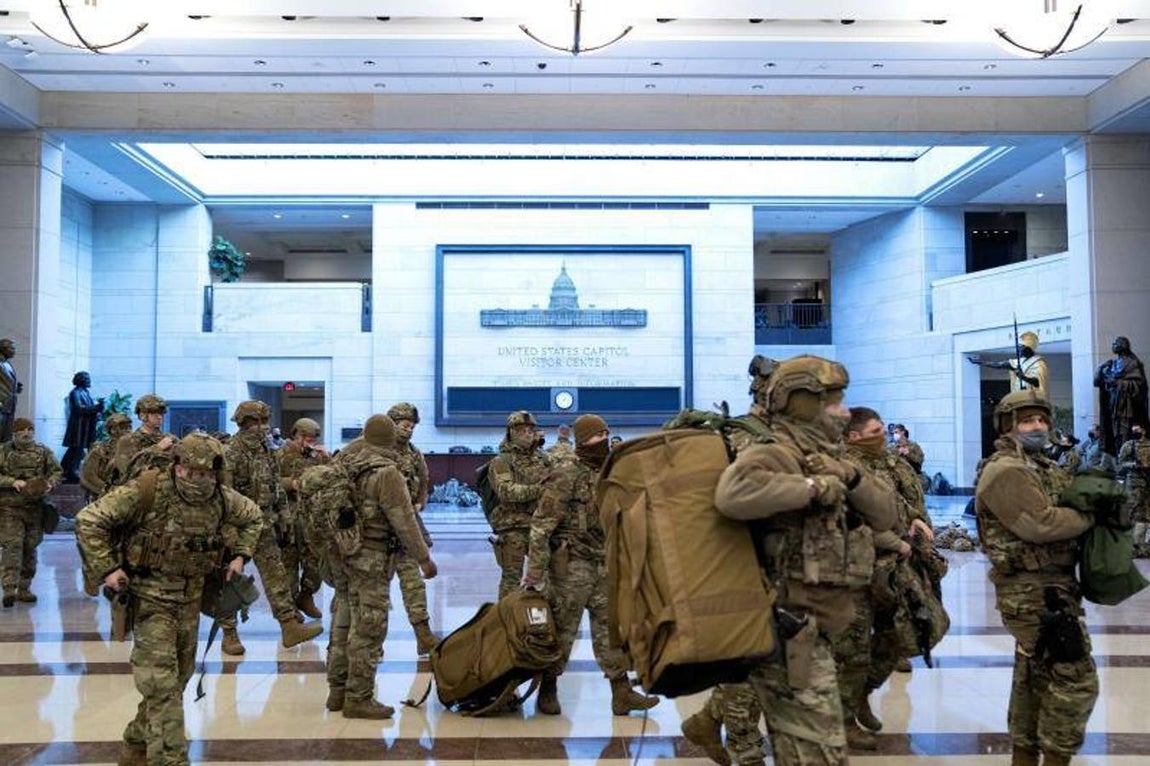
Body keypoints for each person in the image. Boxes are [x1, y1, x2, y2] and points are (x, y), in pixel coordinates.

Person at [714, 355, 896, 766]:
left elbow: (887, 515)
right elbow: (732, 494)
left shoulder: (832, 454)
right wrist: (813, 487)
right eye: (834, 401)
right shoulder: (775, 452)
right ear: (802, 401)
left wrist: (848, 477)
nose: (844, 411)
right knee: (820, 754)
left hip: (820, 627)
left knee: (807, 752)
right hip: (788, 629)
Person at [75, 432, 263, 766]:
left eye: (205, 474)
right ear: (177, 466)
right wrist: (108, 569)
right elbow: (89, 519)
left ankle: (135, 742)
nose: (197, 480)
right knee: (161, 685)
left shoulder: (222, 499)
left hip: (191, 600)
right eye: (190, 472)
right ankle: (171, 758)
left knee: (178, 679)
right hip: (150, 599)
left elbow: (253, 517)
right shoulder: (146, 490)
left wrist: (240, 556)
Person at [974, 389, 1099, 766]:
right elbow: (1040, 525)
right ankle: (1057, 757)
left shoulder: (1039, 465)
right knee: (1076, 678)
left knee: (1034, 677)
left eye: (1042, 419)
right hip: (1030, 591)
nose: (1038, 426)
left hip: (1049, 587)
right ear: (1008, 426)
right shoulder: (1006, 470)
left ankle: (1025, 755)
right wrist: (1090, 518)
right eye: (1028, 421)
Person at [523, 413, 658, 717]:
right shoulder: (566, 473)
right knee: (562, 629)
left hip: (605, 562)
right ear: (582, 440)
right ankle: (548, 687)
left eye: (605, 434)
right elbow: (541, 525)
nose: (603, 440)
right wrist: (535, 573)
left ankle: (621, 692)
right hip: (572, 566)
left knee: (611, 629)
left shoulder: (611, 471)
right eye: (597, 436)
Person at [836, 406, 936, 750]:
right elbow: (852, 519)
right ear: (853, 436)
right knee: (853, 649)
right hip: (856, 568)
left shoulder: (888, 461)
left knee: (898, 637)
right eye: (876, 431)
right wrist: (896, 542)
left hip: (893, 567)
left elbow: (895, 502)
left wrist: (914, 521)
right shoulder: (845, 467)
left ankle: (862, 693)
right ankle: (845, 719)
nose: (884, 436)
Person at [336, 413, 437, 719]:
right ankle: (358, 697)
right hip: (374, 557)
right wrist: (424, 559)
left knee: (348, 621)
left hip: (348, 553)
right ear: (390, 438)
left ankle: (336, 690)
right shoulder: (387, 472)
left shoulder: (348, 461)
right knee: (369, 628)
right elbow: (405, 522)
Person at [220, 400, 322, 655]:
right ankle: (229, 633)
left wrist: (284, 516)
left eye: (264, 422)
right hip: (237, 526)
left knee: (276, 575)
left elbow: (275, 486)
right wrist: (230, 534)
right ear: (243, 423)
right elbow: (224, 495)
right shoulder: (230, 453)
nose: (261, 428)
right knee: (231, 580)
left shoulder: (266, 450)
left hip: (264, 524)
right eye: (256, 422)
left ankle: (289, 625)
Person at [386, 402, 439, 655]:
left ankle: (424, 636)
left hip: (405, 530)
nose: (408, 431)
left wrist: (419, 502)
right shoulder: (373, 449)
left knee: (413, 585)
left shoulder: (414, 453)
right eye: (404, 426)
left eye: (411, 427)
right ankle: (367, 641)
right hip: (375, 534)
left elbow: (423, 482)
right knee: (372, 592)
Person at [487, 410, 549, 599]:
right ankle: (506, 622)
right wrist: (538, 490)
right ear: (511, 432)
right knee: (511, 580)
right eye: (522, 430)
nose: (528, 433)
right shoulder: (501, 461)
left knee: (547, 577)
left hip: (539, 526)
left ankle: (542, 620)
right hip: (512, 527)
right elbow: (507, 491)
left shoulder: (543, 459)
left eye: (531, 429)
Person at [0, 418, 61, 606]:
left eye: (30, 430)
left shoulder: (43, 451)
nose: (26, 433)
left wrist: (49, 484)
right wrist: (12, 482)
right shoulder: (4, 451)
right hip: (10, 508)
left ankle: (25, 587)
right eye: (22, 430)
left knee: (30, 547)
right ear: (15, 433)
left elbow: (57, 472)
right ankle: (9, 588)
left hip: (35, 509)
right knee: (13, 545)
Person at [277, 417, 330, 620]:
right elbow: (268, 481)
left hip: (311, 517)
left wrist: (327, 459)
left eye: (312, 440)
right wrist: (292, 483)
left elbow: (331, 478)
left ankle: (306, 596)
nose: (308, 443)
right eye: (305, 439)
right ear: (295, 435)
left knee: (315, 562)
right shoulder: (280, 454)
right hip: (287, 517)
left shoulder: (316, 456)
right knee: (288, 564)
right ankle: (291, 609)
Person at [1095, 336, 1149, 456]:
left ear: (1123, 345)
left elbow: (1139, 385)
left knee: (1124, 433)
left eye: (1116, 343)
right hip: (1113, 403)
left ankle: (1125, 459)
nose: (1113, 345)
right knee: (1114, 433)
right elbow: (1097, 381)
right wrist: (1102, 368)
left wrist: (1118, 383)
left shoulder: (1133, 363)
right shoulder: (1112, 364)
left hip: (1126, 406)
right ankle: (1118, 460)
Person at [109, 394, 177, 487]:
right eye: (154, 413)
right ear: (142, 416)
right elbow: (127, 472)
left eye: (161, 413)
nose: (160, 417)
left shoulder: (170, 439)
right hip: (140, 493)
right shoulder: (127, 441)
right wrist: (157, 449)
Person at [967, 330, 1049, 396]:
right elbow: (998, 365)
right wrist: (978, 362)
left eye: (1021, 347)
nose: (1019, 350)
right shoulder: (1018, 362)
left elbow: (1038, 383)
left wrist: (1023, 377)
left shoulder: (1039, 363)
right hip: (1018, 395)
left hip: (1031, 397)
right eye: (1019, 347)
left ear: (1029, 348)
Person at [61, 371, 105, 483]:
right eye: (86, 378)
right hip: (78, 427)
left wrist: (98, 411)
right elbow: (79, 408)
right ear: (80, 380)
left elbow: (88, 408)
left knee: (77, 449)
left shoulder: (85, 392)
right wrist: (95, 408)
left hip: (85, 426)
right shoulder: (75, 393)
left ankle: (68, 470)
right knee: (75, 449)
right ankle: (68, 470)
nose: (88, 380)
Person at [80, 412, 133, 499]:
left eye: (129, 427)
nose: (127, 430)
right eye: (123, 427)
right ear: (112, 430)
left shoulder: (137, 449)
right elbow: (89, 476)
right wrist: (110, 490)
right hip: (105, 497)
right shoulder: (100, 451)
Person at [1117, 424, 1150, 555]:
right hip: (1134, 483)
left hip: (1148, 483)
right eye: (1133, 430)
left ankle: (1142, 546)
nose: (1135, 432)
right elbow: (1121, 462)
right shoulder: (1128, 445)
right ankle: (1130, 546)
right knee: (1131, 512)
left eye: (1138, 430)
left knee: (1146, 514)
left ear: (1144, 430)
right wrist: (1134, 465)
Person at [0, 339, 23, 444]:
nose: (14, 351)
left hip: (9, 405)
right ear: (3, 349)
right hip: (1, 404)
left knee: (6, 438)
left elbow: (6, 382)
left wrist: (15, 387)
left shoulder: (7, 364)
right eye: (12, 348)